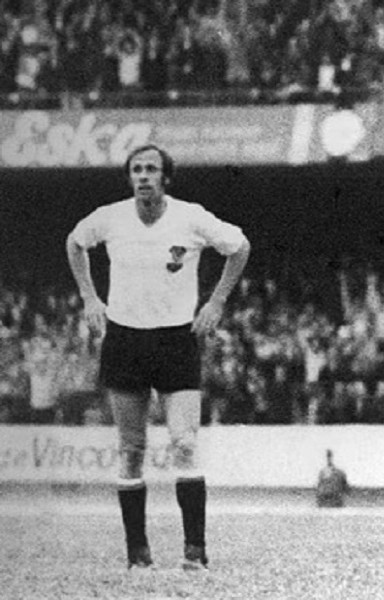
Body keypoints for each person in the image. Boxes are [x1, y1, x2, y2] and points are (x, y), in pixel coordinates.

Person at [66, 144, 250, 570]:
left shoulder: (191, 217)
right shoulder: (111, 217)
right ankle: (138, 554)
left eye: (151, 169)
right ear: (129, 177)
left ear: (166, 177)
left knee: (184, 442)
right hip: (125, 338)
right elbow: (75, 243)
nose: (143, 176)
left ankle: (195, 551)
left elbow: (239, 247)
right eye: (136, 169)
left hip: (175, 339)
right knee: (131, 449)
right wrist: (89, 296)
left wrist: (217, 301)